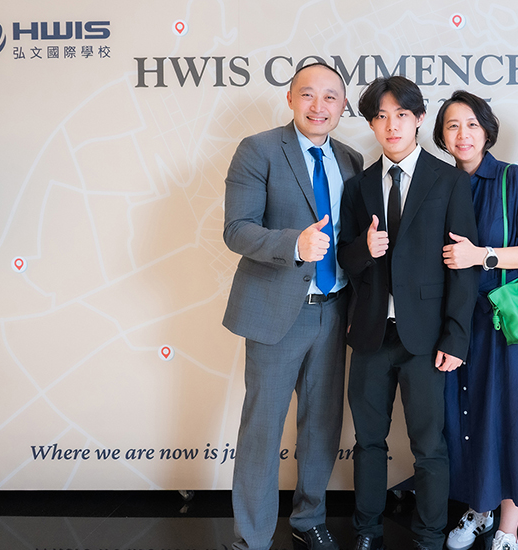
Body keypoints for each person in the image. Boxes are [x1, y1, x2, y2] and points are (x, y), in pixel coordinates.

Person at [222, 62, 364, 550]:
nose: (319, 106)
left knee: (322, 426)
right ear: (290, 99)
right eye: (308, 94)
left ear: (343, 106)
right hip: (276, 312)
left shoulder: (350, 159)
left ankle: (309, 518)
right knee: (262, 429)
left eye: (330, 97)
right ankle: (252, 538)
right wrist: (294, 245)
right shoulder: (258, 149)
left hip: (335, 311)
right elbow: (236, 229)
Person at [337, 76, 479, 550]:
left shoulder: (449, 181)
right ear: (372, 125)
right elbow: (345, 259)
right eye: (381, 116)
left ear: (419, 118)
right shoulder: (358, 187)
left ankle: (430, 536)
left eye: (401, 115)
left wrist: (456, 337)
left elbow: (463, 268)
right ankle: (366, 531)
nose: (391, 125)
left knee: (429, 446)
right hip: (371, 336)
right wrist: (365, 248)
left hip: (428, 339)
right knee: (368, 442)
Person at [434, 91, 518, 550]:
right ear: (441, 136)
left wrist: (481, 256)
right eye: (452, 126)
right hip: (455, 326)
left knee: (512, 418)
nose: (462, 134)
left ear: (487, 131)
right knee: (465, 419)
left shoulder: (515, 180)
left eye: (471, 124)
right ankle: (479, 509)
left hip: (507, 323)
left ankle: (508, 528)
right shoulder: (437, 184)